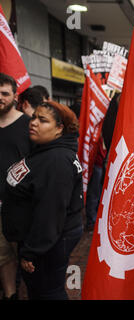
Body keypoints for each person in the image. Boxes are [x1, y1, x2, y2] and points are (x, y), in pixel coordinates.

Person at [1, 101, 83, 300]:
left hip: (46, 246)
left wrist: (32, 252)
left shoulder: (56, 160)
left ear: (59, 129)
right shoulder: (44, 150)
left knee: (47, 293)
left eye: (43, 120)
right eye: (34, 117)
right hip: (37, 241)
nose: (34, 122)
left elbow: (50, 214)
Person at [0, 73, 33, 300]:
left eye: (4, 93)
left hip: (23, 206)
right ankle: (11, 295)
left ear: (15, 96)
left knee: (26, 257)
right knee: (4, 257)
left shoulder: (28, 125)